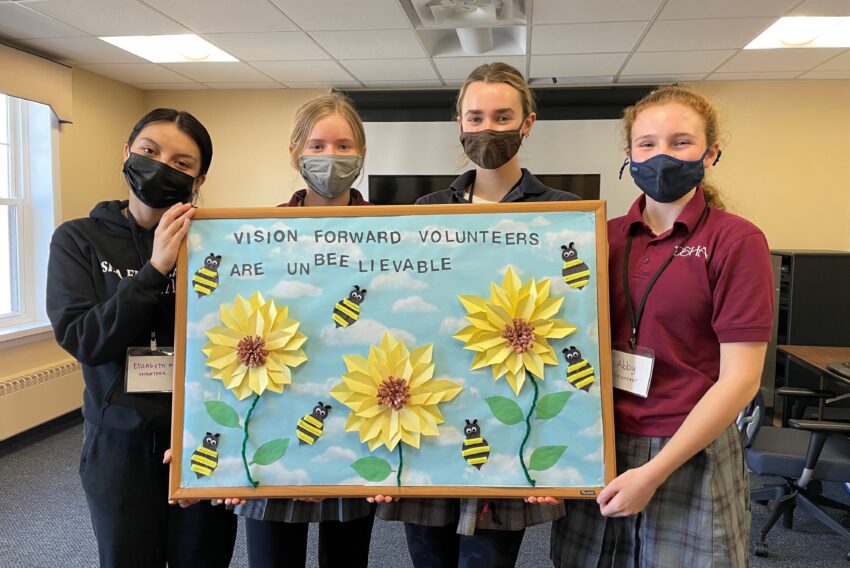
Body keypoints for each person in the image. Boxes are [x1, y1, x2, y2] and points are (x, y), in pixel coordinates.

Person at [550, 85, 773, 567]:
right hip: (601, 443)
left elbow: (742, 379)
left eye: (681, 142)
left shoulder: (736, 241)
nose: (662, 156)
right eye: (647, 144)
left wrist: (653, 473)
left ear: (711, 152)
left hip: (689, 446)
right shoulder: (597, 237)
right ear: (628, 155)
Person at [374, 62, 579, 568]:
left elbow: (577, 326)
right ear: (459, 123)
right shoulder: (427, 208)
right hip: (433, 414)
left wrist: (566, 455)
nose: (488, 129)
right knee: (428, 559)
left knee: (488, 561)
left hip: (507, 416)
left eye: (503, 117)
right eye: (476, 116)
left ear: (528, 123)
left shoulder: (564, 213)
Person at [46, 108, 237, 568]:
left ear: (199, 178)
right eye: (150, 152)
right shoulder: (78, 240)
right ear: (127, 154)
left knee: (203, 558)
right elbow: (85, 339)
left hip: (201, 437)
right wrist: (155, 271)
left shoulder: (218, 244)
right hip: (118, 446)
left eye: (181, 163)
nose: (161, 166)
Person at [234, 93, 376, 568]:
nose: (329, 157)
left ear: (360, 153)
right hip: (274, 416)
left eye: (342, 144)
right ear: (295, 152)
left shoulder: (392, 230)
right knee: (272, 559)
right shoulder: (256, 232)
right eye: (316, 145)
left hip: (356, 424)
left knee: (348, 559)